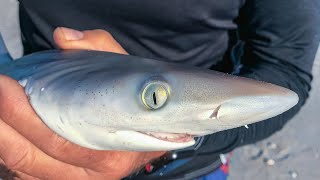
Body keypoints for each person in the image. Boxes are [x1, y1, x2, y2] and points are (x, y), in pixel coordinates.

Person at [0, 0, 319, 179]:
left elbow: (285, 74)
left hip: (187, 160)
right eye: (153, 98)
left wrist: (182, 139)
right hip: (26, 126)